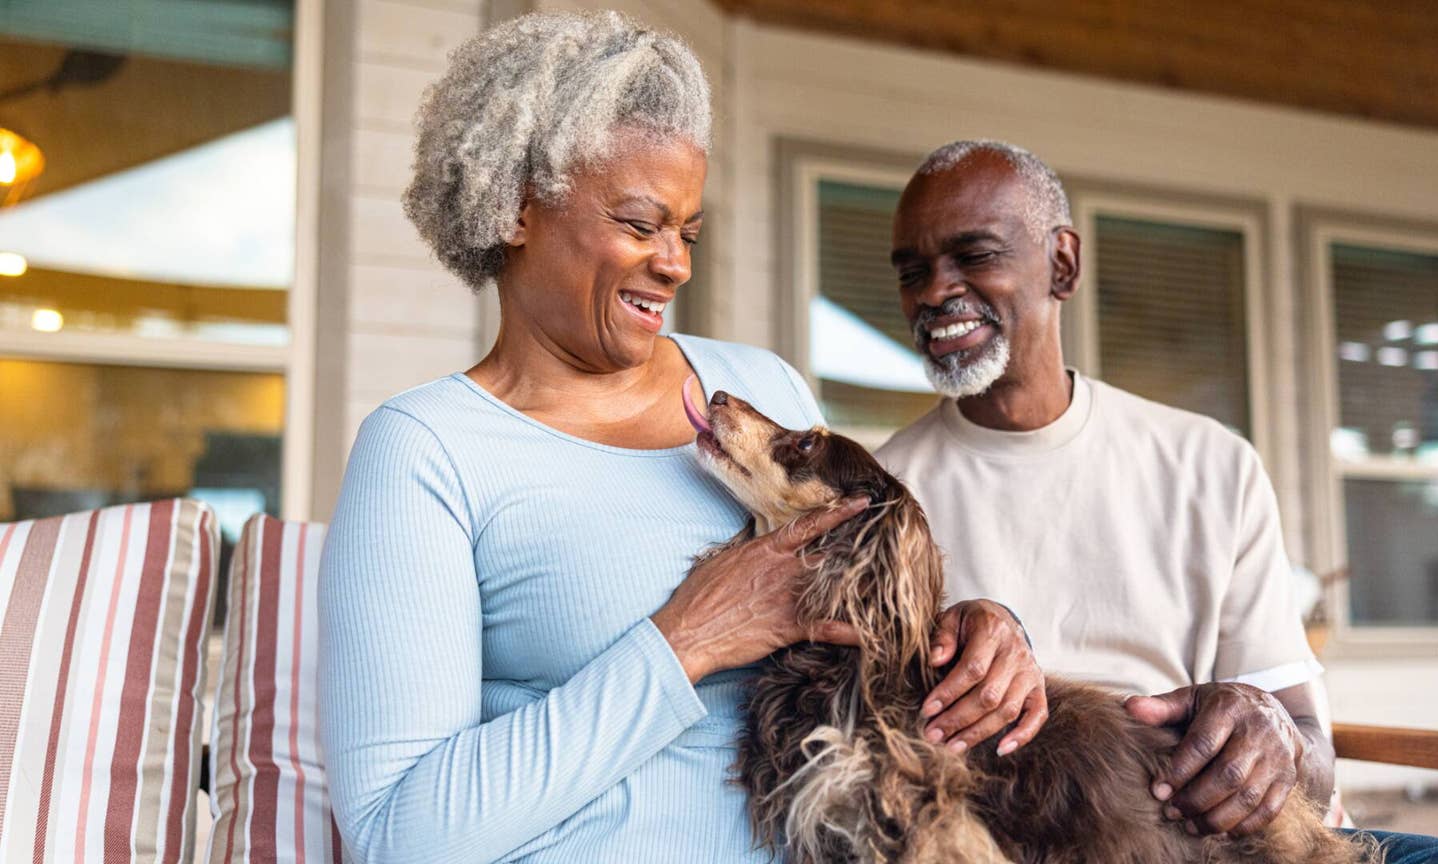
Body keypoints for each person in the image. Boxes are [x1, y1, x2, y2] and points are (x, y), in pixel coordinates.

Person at [317, 16, 1041, 863]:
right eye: (638, 223)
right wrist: (686, 639)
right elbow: (398, 834)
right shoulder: (425, 452)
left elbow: (868, 641)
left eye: (687, 233)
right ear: (516, 207)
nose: (676, 264)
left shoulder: (762, 390)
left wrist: (979, 635)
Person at [875, 138, 1438, 863]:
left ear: (1062, 263)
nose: (935, 292)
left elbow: (1313, 767)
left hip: (1207, 838)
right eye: (914, 271)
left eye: (974, 256)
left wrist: (1269, 737)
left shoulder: (1209, 465)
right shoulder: (879, 501)